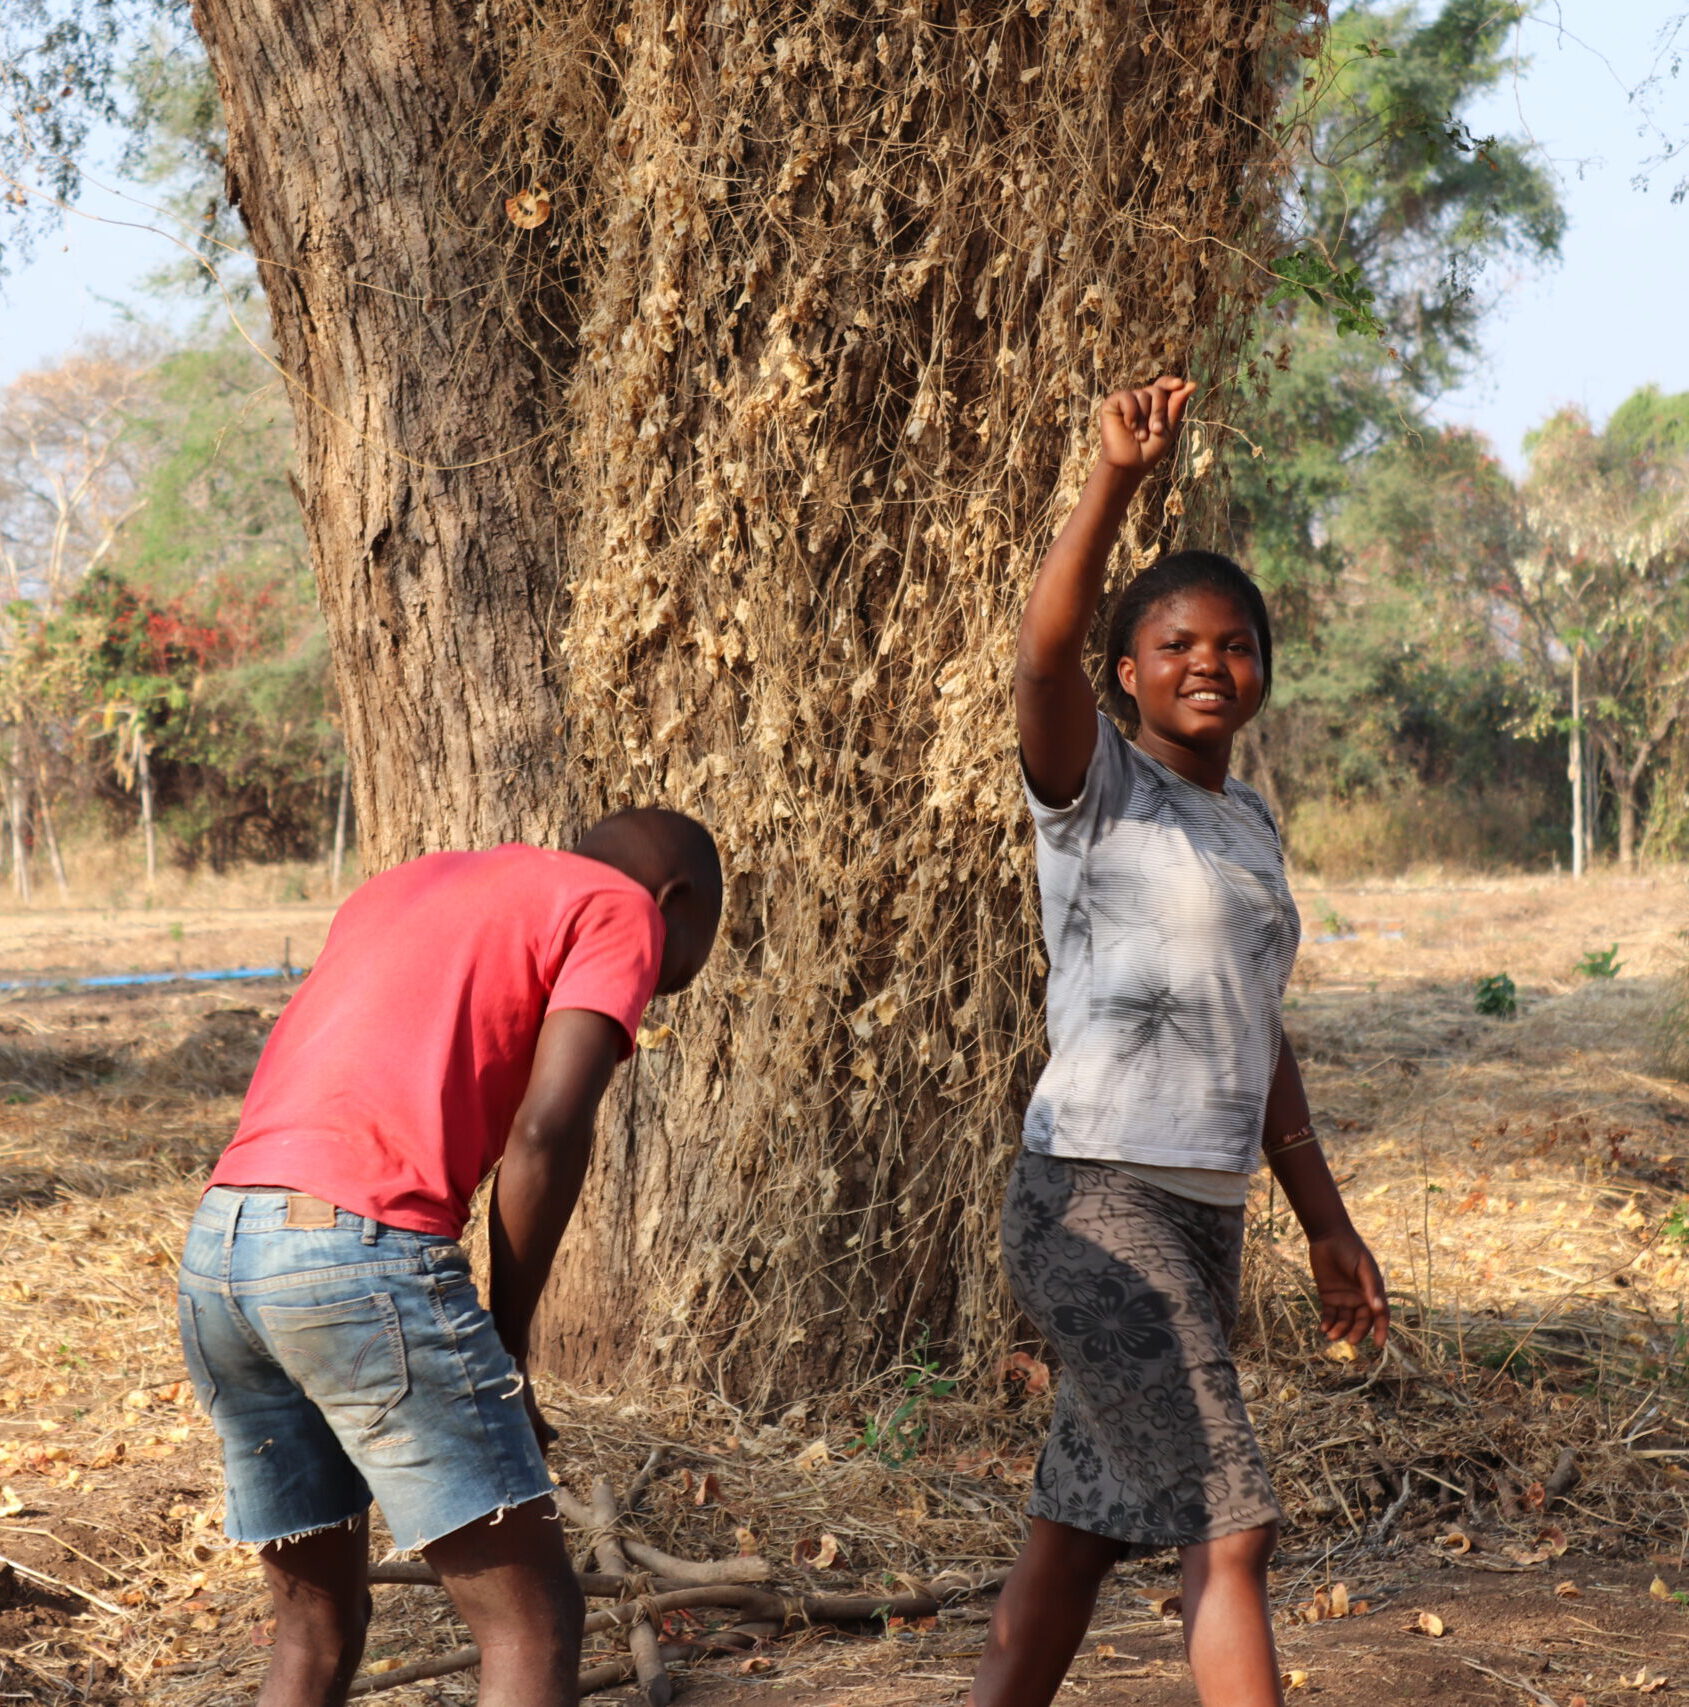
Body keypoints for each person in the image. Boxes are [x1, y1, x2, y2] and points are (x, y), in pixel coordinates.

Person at [969, 377, 1389, 1707]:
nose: (1209, 661)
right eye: (1175, 642)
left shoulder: (1248, 827)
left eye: (1235, 643)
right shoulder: (1095, 789)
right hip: (1095, 1192)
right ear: (1128, 672)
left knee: (1080, 1529)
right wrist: (1114, 482)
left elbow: (1258, 1034)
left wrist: (1325, 1221)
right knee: (1231, 1522)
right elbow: (1038, 659)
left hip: (1202, 1212)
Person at [176, 809, 723, 1707]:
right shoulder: (618, 904)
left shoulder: (399, 888)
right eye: (696, 944)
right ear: (678, 900)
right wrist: (507, 1348)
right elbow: (546, 1131)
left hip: (221, 1251)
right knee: (533, 1619)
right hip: (357, 1258)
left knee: (316, 1631)